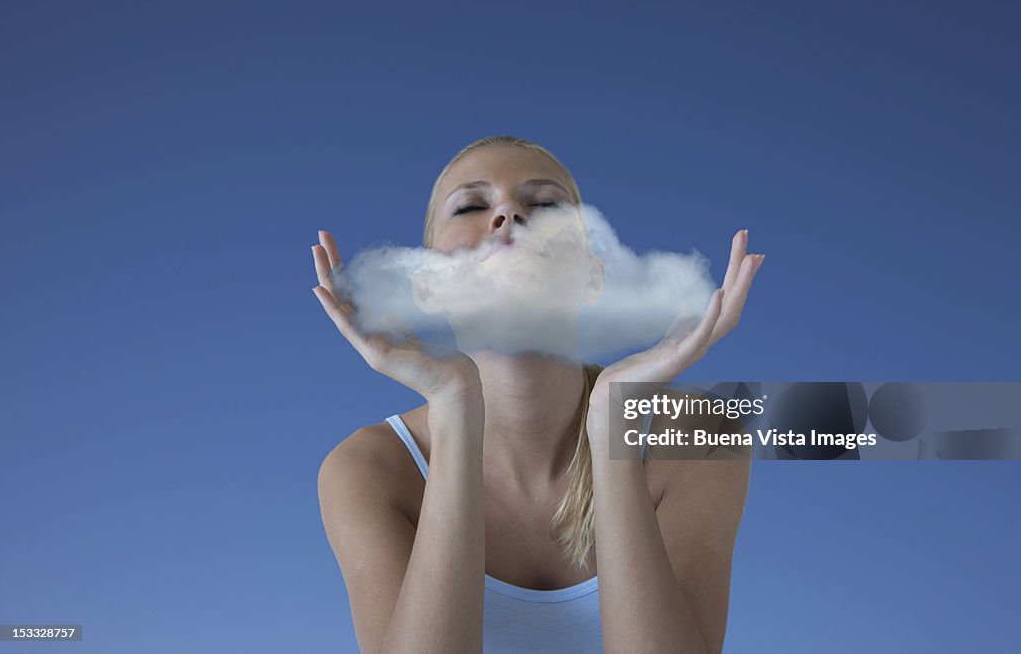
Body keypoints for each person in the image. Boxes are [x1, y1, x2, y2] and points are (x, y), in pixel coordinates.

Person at [312, 135, 763, 653]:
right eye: (472, 206)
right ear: (427, 286)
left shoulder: (700, 432)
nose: (507, 213)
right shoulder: (369, 468)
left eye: (545, 205)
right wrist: (455, 403)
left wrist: (612, 422)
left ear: (593, 275)